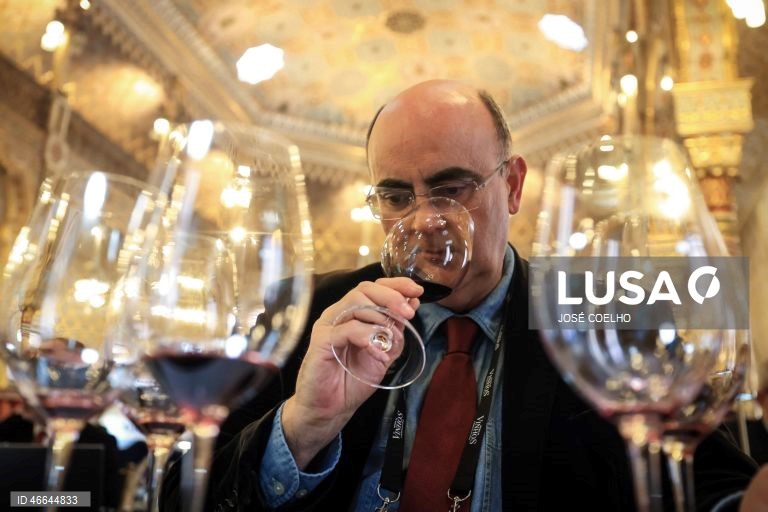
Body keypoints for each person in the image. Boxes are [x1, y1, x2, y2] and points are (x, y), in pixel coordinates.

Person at [161, 80, 757, 511]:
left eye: (452, 187)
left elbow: (709, 483)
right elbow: (179, 490)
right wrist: (305, 424)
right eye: (397, 197)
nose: (424, 220)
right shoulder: (313, 312)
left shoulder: (605, 305)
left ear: (513, 185)